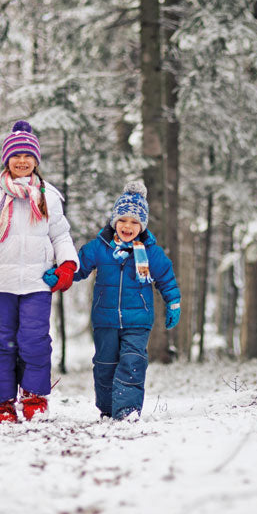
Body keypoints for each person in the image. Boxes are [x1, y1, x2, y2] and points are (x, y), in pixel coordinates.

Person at [0, 120, 79, 423]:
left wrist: (67, 264)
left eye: (28, 156)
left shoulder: (48, 196)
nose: (22, 161)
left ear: (36, 161)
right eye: (16, 156)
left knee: (35, 340)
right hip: (0, 285)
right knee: (2, 342)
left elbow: (61, 235)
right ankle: (1, 403)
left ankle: (34, 396)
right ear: (6, 160)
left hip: (37, 283)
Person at [57, 179, 180, 420]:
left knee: (133, 362)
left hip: (138, 319)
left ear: (142, 226)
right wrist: (59, 275)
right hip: (105, 318)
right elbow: (78, 268)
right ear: (114, 221)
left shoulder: (151, 252)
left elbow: (166, 277)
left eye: (134, 222)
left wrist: (173, 303)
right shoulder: (99, 247)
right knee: (104, 365)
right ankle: (107, 409)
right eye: (122, 220)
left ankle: (127, 411)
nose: (127, 226)